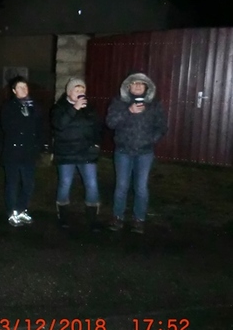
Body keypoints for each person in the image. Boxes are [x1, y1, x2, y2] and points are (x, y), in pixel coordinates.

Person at [106, 72, 167, 234]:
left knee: (141, 187)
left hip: (145, 152)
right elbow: (110, 123)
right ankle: (117, 217)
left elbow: (162, 126)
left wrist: (151, 139)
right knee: (121, 186)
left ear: (147, 86)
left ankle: (139, 219)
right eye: (134, 83)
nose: (138, 86)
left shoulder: (154, 104)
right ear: (128, 87)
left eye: (141, 83)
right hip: (123, 151)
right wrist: (128, 111)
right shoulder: (119, 102)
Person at [51, 77, 102, 230]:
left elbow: (97, 127)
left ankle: (92, 218)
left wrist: (96, 143)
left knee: (92, 184)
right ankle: (63, 217)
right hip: (66, 153)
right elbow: (59, 125)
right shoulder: (59, 107)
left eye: (82, 90)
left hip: (86, 152)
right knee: (65, 183)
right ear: (69, 92)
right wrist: (74, 108)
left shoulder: (90, 108)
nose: (80, 93)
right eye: (76, 90)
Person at [0, 76, 43, 227]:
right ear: (14, 91)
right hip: (13, 151)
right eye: (20, 87)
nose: (24, 90)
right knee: (12, 183)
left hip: (29, 151)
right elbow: (7, 127)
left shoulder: (34, 106)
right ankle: (12, 212)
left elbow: (40, 127)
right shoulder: (9, 107)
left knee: (28, 184)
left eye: (25, 87)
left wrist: (39, 145)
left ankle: (22, 209)